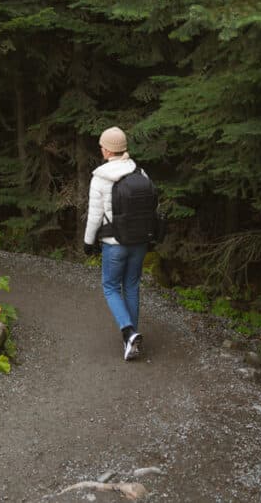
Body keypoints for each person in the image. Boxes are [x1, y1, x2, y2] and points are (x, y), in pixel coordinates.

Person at [83, 126, 148, 361]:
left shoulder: (101, 177)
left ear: (108, 150)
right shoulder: (140, 173)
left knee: (110, 287)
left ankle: (129, 332)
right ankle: (132, 341)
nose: (101, 149)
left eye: (102, 146)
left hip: (114, 243)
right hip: (140, 241)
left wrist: (88, 242)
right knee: (131, 286)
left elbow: (94, 216)